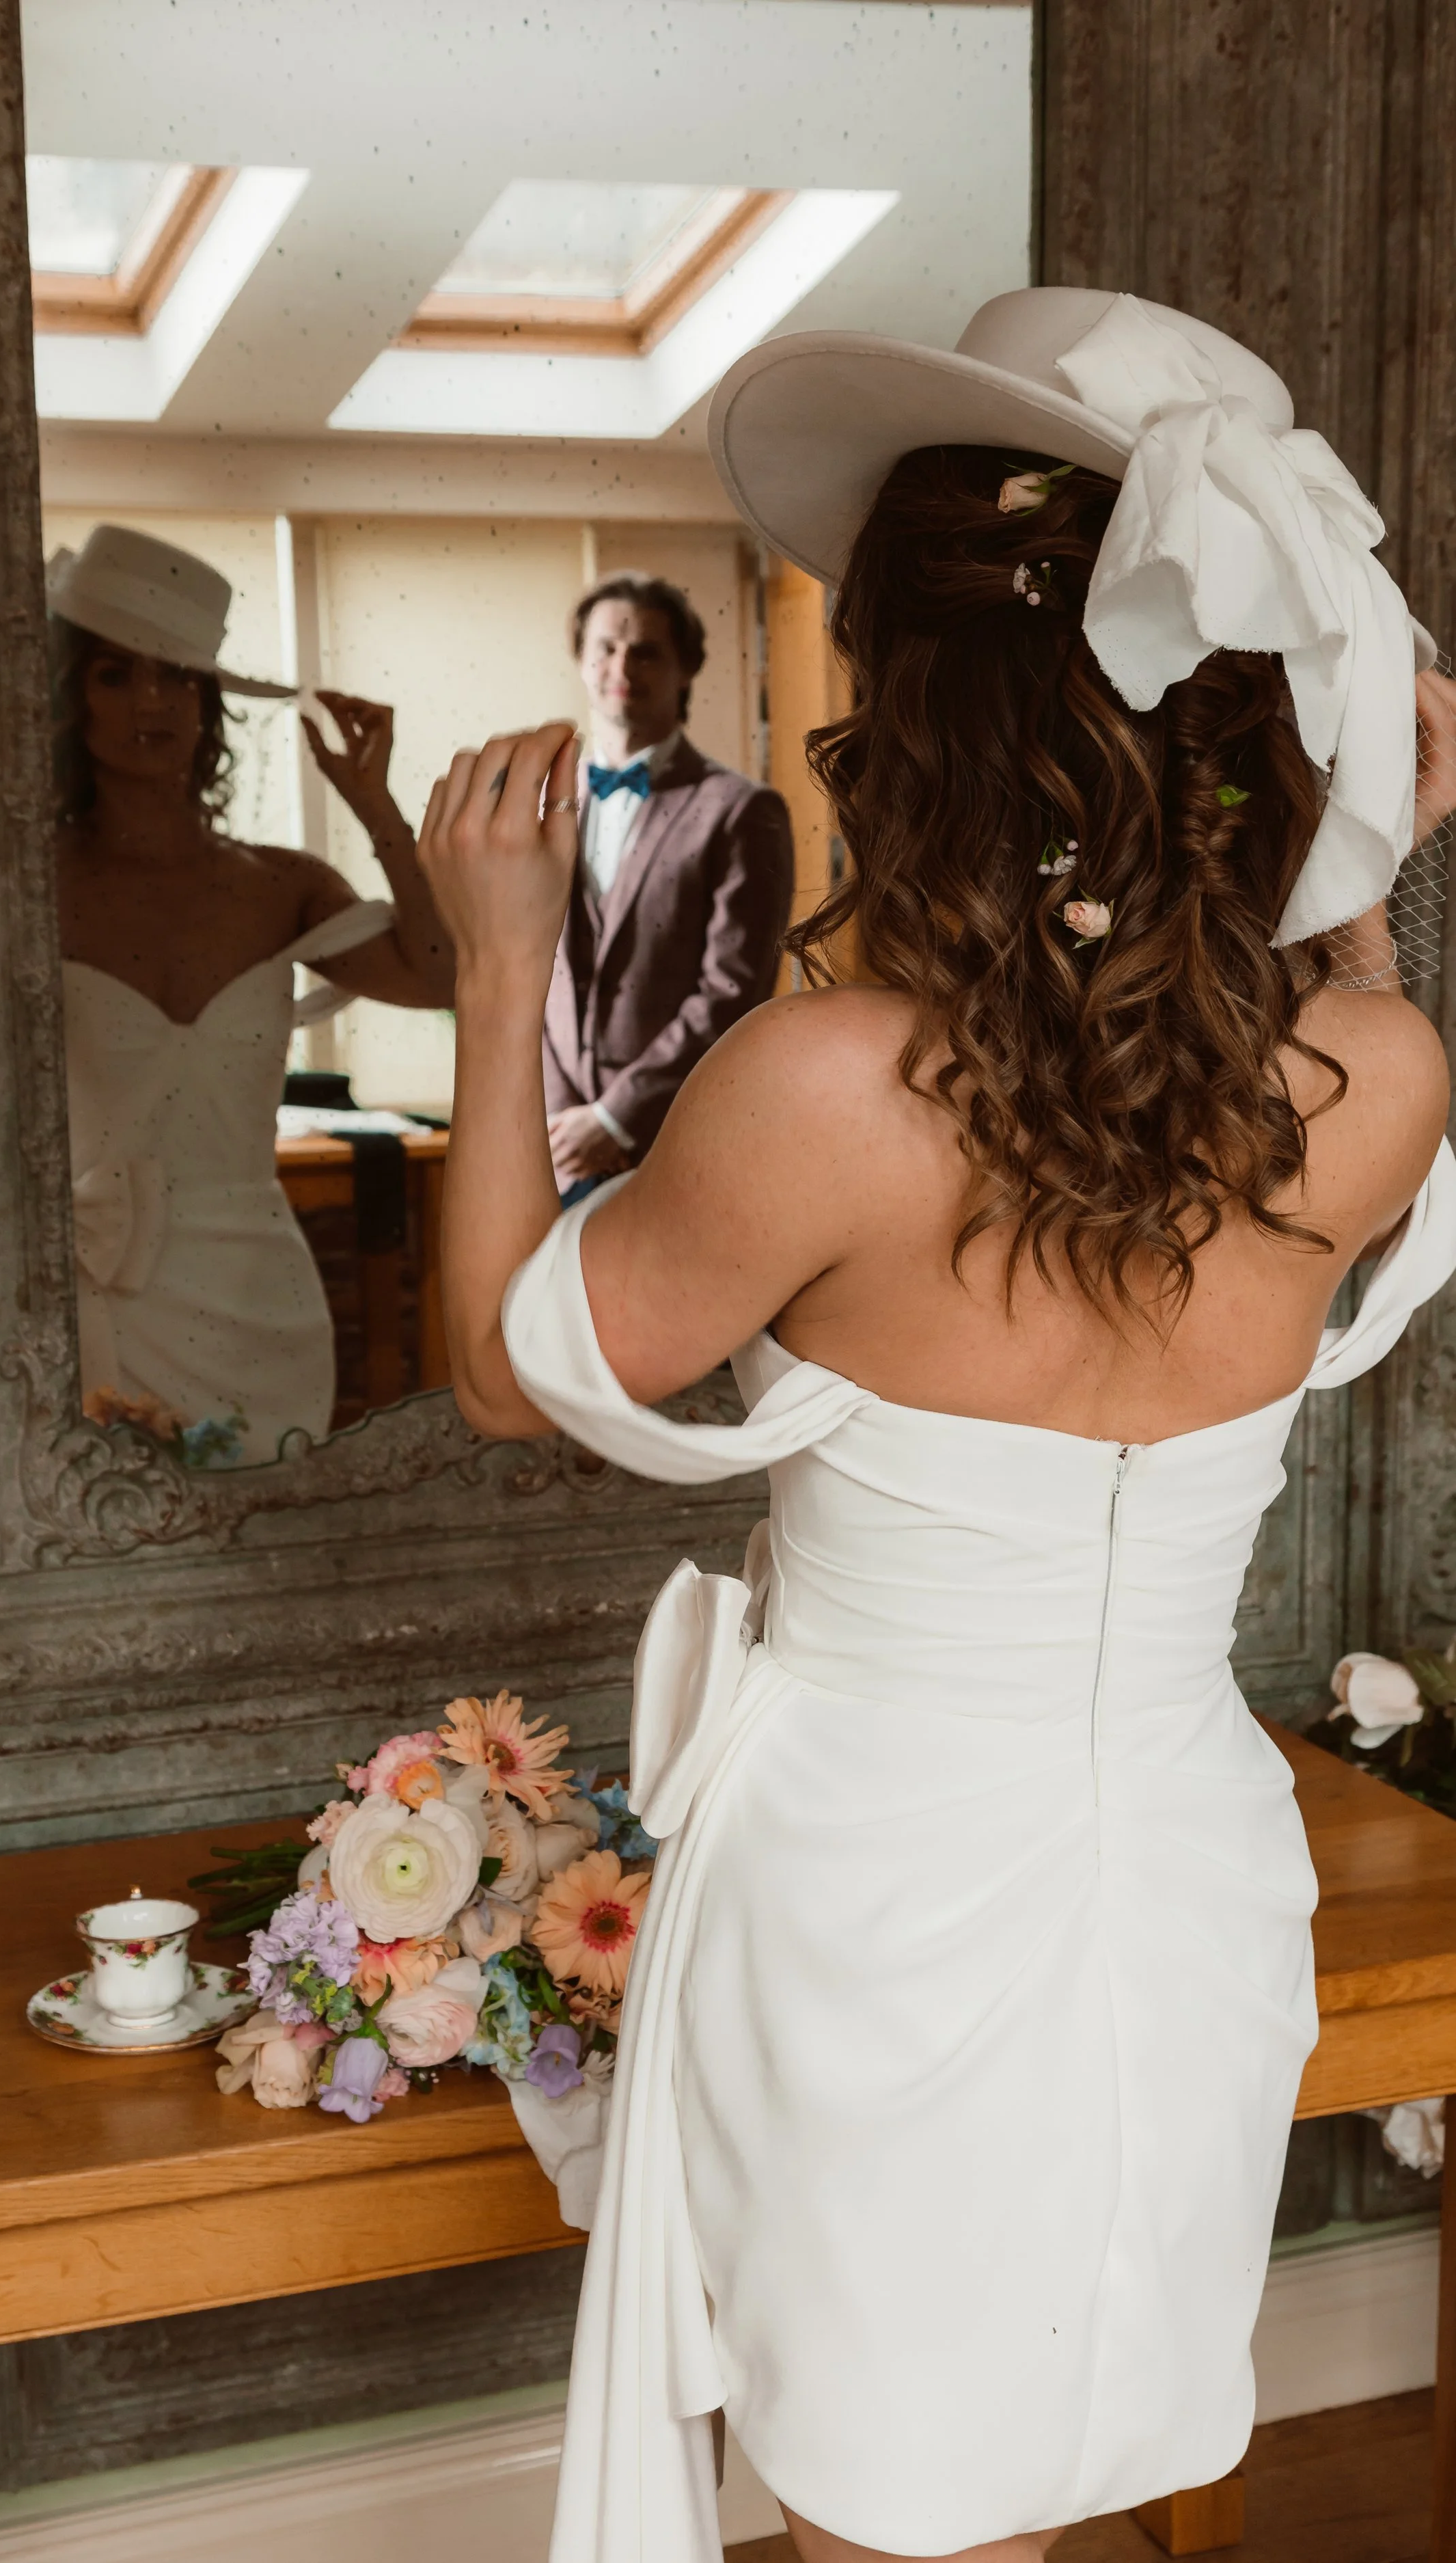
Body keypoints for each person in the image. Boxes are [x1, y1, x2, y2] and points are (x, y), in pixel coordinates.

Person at [417, 287, 1456, 2563]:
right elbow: (1340, 1005)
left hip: (882, 1890)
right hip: (1177, 1872)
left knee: (891, 2497)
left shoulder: (828, 1098)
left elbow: (510, 1366)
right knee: (1049, 2448)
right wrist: (1365, 872)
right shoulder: (1373, 1084)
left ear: (927, 720)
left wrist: (502, 964)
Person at [51, 523, 452, 1463]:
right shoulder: (28, 884)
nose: (151, 699)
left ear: (208, 703)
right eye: (116, 674)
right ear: (73, 701)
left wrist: (374, 803)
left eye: (175, 676)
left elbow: (439, 976)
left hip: (252, 1293)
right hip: (93, 1289)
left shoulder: (282, 884)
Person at [544, 572, 794, 1202]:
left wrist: (615, 1117)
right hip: (549, 1143)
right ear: (581, 661)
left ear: (686, 668)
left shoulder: (740, 809)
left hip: (673, 1143)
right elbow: (522, 972)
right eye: (605, 647)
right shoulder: (540, 806)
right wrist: (558, 1120)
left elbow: (732, 990)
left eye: (647, 650)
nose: (622, 664)